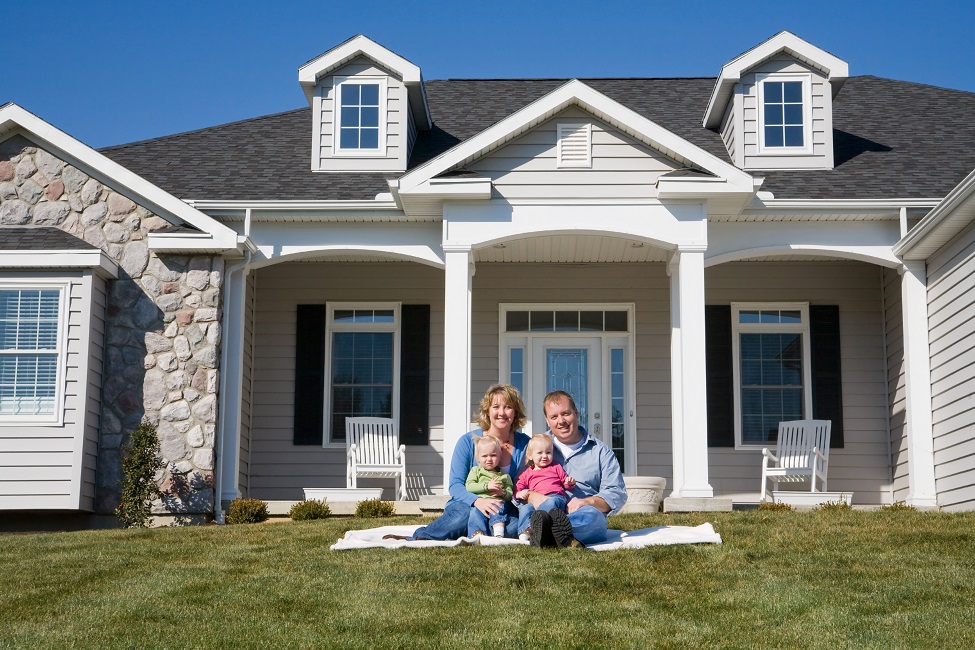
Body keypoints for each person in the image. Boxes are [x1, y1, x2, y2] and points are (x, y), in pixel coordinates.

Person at [394, 384, 530, 541]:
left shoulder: (525, 444)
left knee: (515, 526)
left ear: (515, 412)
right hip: (467, 505)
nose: (501, 413)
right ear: (487, 411)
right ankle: (422, 535)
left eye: (508, 407)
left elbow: (524, 483)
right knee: (463, 517)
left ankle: (474, 531)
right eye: (496, 407)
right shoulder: (468, 441)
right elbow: (455, 485)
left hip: (501, 507)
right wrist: (478, 501)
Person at [519, 390, 627, 549]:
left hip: (581, 515)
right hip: (544, 508)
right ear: (547, 421)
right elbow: (518, 485)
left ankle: (548, 532)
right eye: (554, 417)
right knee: (532, 510)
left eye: (566, 414)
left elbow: (616, 494)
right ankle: (555, 534)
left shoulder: (600, 451)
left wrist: (587, 501)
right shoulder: (537, 447)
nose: (561, 421)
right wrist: (532, 496)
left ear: (576, 413)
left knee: (594, 517)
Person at [514, 433, 576, 541]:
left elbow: (564, 481)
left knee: (551, 502)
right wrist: (519, 494)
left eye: (548, 452)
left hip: (556, 498)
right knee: (525, 508)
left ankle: (537, 527)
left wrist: (569, 483)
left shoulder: (556, 467)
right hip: (535, 503)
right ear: (530, 456)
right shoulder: (527, 473)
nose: (544, 456)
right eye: (539, 453)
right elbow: (518, 487)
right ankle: (524, 531)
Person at [465, 436, 515, 537]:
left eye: (493, 455)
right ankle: (477, 532)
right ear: (478, 457)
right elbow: (469, 486)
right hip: (480, 503)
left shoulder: (504, 476)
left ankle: (498, 533)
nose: (489, 459)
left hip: (497, 502)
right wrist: (486, 486)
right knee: (475, 512)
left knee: (499, 508)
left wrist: (503, 493)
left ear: (500, 456)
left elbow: (510, 494)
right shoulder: (476, 471)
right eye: (484, 456)